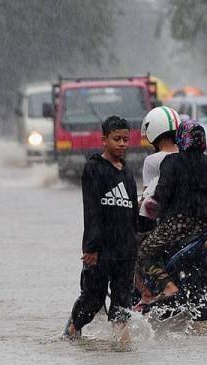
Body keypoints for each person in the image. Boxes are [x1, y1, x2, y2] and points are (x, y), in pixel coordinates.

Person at [136, 119, 207, 302]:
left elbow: (162, 194)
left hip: (177, 225)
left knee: (143, 251)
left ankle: (167, 286)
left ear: (181, 139)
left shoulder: (172, 162)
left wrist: (159, 211)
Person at [63, 116, 138, 339]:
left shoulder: (128, 172)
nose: (122, 144)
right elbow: (92, 211)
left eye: (126, 139)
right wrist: (91, 248)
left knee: (122, 301)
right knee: (93, 299)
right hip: (101, 249)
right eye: (117, 139)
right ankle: (72, 331)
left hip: (126, 249)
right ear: (104, 140)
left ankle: (120, 346)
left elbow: (133, 211)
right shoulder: (94, 169)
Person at [135, 106, 180, 309]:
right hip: (197, 222)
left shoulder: (153, 160)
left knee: (138, 250)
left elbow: (147, 195)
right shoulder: (188, 156)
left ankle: (148, 293)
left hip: (167, 223)